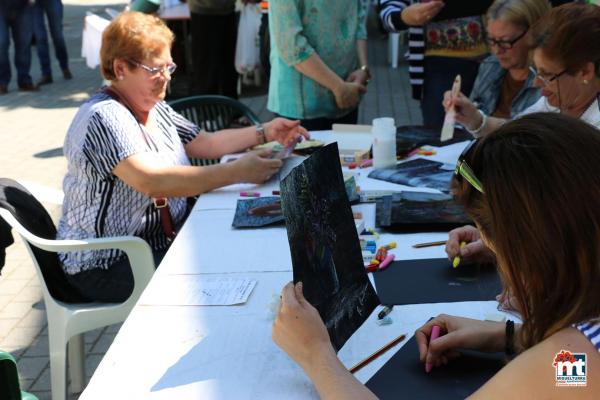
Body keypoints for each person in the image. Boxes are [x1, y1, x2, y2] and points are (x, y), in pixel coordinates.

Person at [272, 113, 600, 398]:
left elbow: (566, 374)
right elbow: (573, 379)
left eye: (498, 249)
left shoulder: (569, 357)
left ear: (531, 250)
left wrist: (315, 354)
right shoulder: (580, 349)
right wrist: (512, 336)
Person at [56, 12, 308, 303]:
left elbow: (205, 143)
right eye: (154, 69)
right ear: (120, 68)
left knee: (244, 251)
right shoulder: (103, 116)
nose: (165, 78)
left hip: (153, 243)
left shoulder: (151, 105)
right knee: (230, 270)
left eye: (168, 67)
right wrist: (239, 171)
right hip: (104, 263)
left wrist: (266, 131)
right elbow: (152, 181)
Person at [444, 2, 600, 136]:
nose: (536, 83)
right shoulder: (554, 102)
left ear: (585, 72)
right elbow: (517, 131)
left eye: (547, 74)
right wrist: (475, 120)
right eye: (537, 70)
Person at [378, 0, 493, 128]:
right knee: (443, 134)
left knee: (491, 130)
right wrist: (405, 17)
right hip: (440, 66)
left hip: (495, 62)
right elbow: (386, 16)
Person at [267, 0, 369, 131]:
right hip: (302, 105)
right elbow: (291, 45)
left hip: (348, 91)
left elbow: (358, 19)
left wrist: (363, 68)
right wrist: (338, 87)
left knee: (346, 151)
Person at [469, 0, 550, 119]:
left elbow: (534, 131)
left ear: (534, 34)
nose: (496, 51)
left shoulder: (548, 78)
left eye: (505, 41)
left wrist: (480, 123)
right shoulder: (490, 65)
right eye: (491, 40)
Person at [187, 0, 238, 98]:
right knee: (207, 70)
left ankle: (231, 109)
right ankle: (207, 110)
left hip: (227, 11)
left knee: (228, 68)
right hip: (203, 12)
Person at [0, 0, 37, 94]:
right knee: (1, 43)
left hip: (23, 6)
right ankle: (2, 82)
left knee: (24, 43)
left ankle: (24, 80)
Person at [32, 0, 72, 86]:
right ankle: (46, 73)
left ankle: (64, 67)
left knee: (57, 36)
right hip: (34, 3)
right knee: (40, 38)